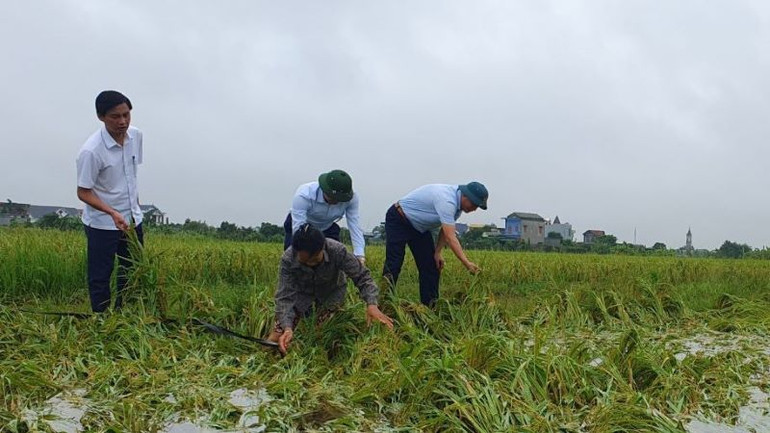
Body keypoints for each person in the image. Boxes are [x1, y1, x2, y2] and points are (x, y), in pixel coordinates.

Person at [269, 224, 394, 355]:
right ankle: (265, 358)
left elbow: (363, 277)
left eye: (314, 260)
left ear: (322, 248)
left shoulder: (337, 251)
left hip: (330, 297)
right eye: (304, 262)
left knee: (319, 337)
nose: (310, 264)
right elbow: (284, 296)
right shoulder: (288, 258)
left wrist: (372, 304)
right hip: (301, 298)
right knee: (278, 336)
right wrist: (287, 328)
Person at [76, 90, 144, 313]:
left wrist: (135, 209)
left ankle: (124, 314)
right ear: (101, 116)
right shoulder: (91, 151)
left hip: (132, 220)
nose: (122, 121)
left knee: (132, 270)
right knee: (101, 275)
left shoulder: (136, 137)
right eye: (115, 116)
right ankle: (102, 320)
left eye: (126, 114)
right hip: (103, 224)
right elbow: (83, 192)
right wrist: (112, 213)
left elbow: (131, 176)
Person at [382, 182, 489, 307]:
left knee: (432, 265)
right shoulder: (447, 201)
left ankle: (430, 308)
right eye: (474, 204)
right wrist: (467, 263)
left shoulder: (457, 208)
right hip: (399, 219)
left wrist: (438, 252)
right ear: (465, 196)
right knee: (394, 263)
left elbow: (445, 229)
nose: (474, 209)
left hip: (419, 228)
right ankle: (384, 302)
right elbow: (450, 237)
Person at [283, 169, 366, 264]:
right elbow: (298, 227)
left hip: (327, 227)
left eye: (339, 199)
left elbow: (354, 225)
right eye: (332, 197)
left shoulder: (352, 199)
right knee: (295, 259)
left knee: (334, 259)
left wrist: (359, 254)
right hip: (303, 226)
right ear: (324, 190)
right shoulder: (304, 195)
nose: (336, 202)